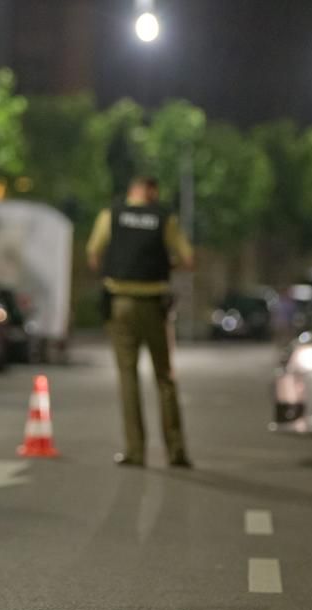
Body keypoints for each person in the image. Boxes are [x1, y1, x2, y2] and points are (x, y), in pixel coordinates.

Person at [86, 176, 195, 468]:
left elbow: (93, 254)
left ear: (131, 190)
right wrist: (164, 265)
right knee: (165, 377)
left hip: (119, 303)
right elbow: (188, 259)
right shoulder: (163, 218)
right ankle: (176, 450)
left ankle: (135, 451)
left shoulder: (112, 214)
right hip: (153, 306)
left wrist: (112, 272)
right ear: (152, 191)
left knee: (127, 377)